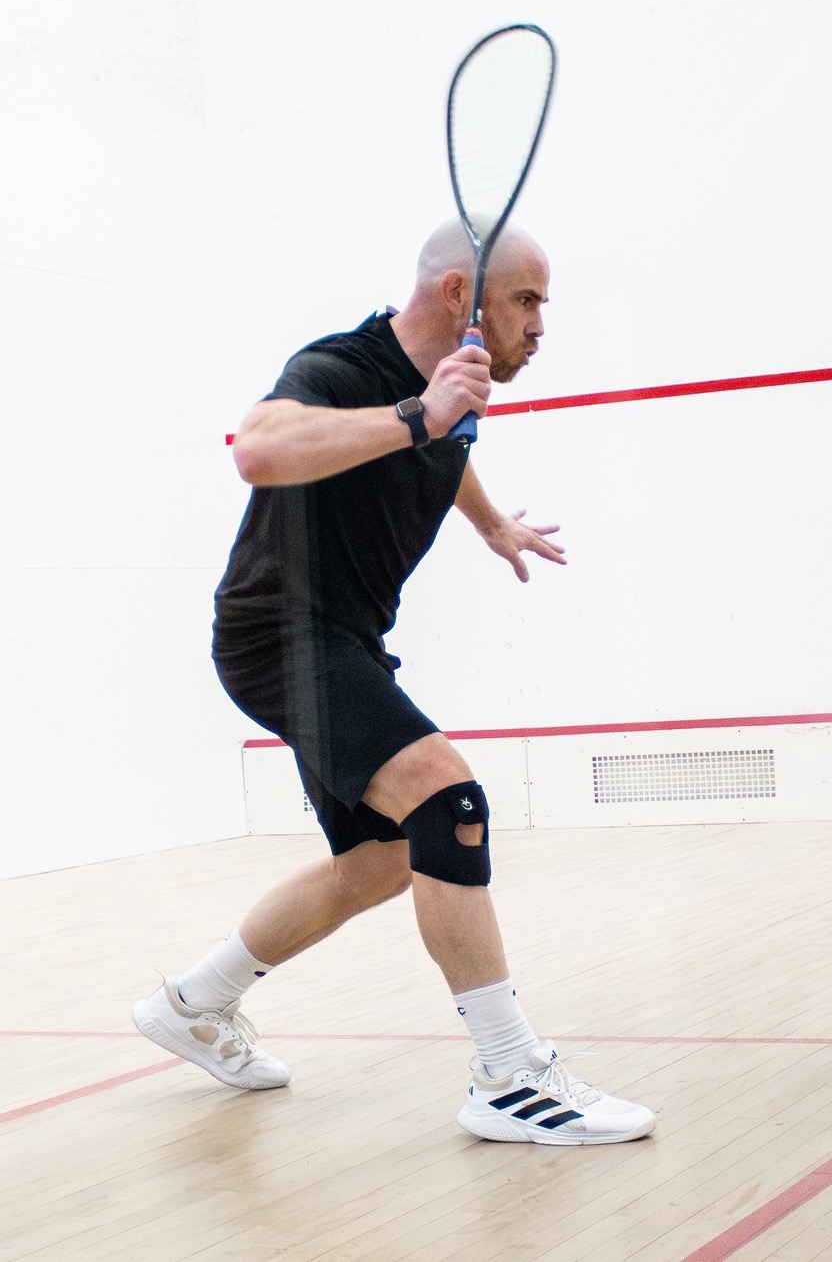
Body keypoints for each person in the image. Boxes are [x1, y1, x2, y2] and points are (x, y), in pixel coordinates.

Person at [133, 220, 656, 1146]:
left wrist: (490, 522)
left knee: (379, 859)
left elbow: (446, 449)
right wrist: (420, 414)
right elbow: (257, 447)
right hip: (277, 633)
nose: (540, 326)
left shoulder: (461, 384)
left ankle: (193, 1003)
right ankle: (506, 1073)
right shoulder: (341, 367)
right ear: (460, 295)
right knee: (448, 796)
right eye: (526, 300)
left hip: (345, 639)